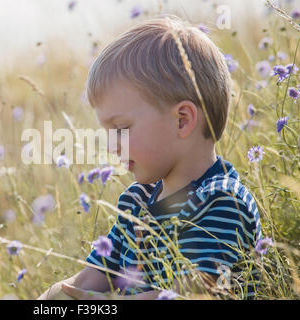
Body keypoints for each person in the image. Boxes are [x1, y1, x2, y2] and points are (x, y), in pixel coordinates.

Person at [38, 15, 262, 300]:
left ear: (182, 120)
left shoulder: (223, 202)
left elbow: (197, 290)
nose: (111, 146)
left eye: (121, 129)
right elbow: (91, 278)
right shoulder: (137, 202)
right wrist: (55, 297)